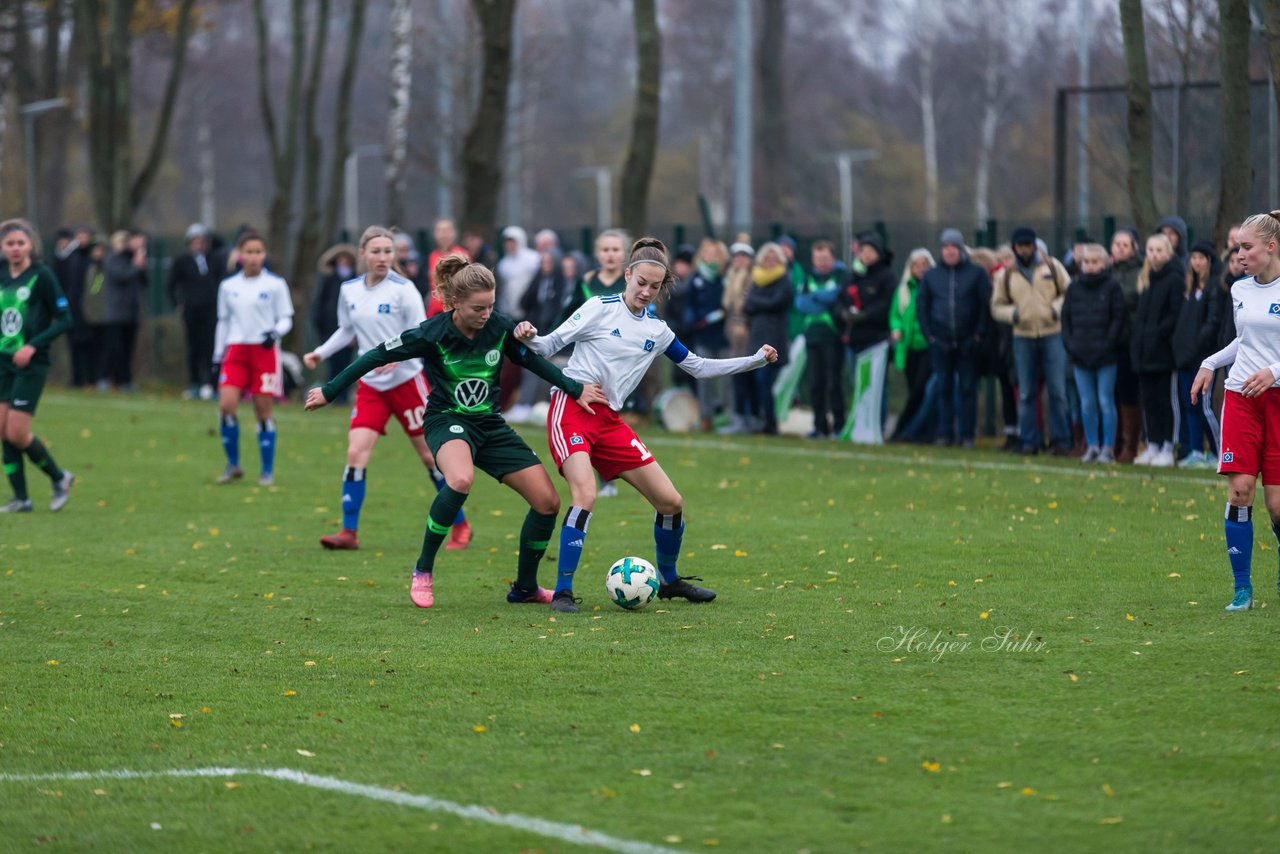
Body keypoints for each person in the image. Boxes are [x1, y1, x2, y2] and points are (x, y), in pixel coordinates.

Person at [305, 255, 607, 609]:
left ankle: (525, 588)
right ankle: (423, 570)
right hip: (446, 420)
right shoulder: (432, 333)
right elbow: (374, 355)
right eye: (478, 308)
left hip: (490, 425)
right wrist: (330, 389)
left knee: (547, 503)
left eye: (491, 306)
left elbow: (532, 361)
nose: (486, 314)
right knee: (460, 479)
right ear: (454, 303)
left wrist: (574, 387)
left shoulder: (498, 327)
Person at [513, 237, 778, 613]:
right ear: (627, 275)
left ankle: (669, 580)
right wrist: (528, 334)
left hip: (610, 421)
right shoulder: (599, 307)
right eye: (641, 283)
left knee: (671, 502)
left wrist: (754, 360)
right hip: (572, 408)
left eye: (655, 287)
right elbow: (548, 344)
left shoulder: (657, 330)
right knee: (585, 494)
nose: (646, 292)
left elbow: (698, 367)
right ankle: (563, 591)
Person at [303, 225, 472, 552]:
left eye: (388, 251)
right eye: (376, 251)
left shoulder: (403, 289)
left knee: (430, 456)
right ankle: (349, 533)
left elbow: (421, 332)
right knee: (355, 453)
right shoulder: (349, 289)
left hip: (407, 382)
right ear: (363, 254)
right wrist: (320, 353)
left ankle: (461, 525)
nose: (382, 257)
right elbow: (345, 330)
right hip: (370, 386)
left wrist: (397, 359)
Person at [1190, 211, 1280, 611]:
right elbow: (1243, 342)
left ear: (1271, 247)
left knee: (1277, 505)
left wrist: (1274, 371)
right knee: (1240, 491)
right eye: (1238, 247)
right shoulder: (1239, 289)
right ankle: (1241, 589)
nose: (1239, 254)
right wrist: (1211, 362)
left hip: (1277, 402)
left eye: (1247, 247)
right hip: (1242, 397)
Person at [0, 219, 75, 513]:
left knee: (17, 433)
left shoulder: (42, 276)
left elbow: (65, 319)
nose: (16, 248)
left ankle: (59, 477)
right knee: (2, 430)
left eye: (21, 243)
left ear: (31, 245)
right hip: (2, 363)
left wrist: (32, 345)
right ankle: (21, 498)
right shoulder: (2, 274)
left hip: (31, 363)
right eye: (10, 243)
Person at [211, 231, 294, 486]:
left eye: (258, 252)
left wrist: (275, 332)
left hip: (264, 352)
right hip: (235, 350)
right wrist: (217, 356)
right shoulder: (228, 286)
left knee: (263, 410)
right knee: (226, 406)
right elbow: (223, 322)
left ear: (264, 255)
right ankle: (233, 464)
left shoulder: (275, 285)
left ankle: (267, 470)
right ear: (240, 254)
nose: (254, 257)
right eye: (249, 252)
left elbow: (286, 318)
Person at [991, 227, 1072, 455]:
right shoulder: (1006, 275)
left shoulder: (1052, 267)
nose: (1025, 250)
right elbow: (996, 306)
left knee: (1057, 391)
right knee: (1026, 392)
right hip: (1023, 337)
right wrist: (1014, 315)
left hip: (1051, 334)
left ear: (1035, 246)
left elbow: (1068, 292)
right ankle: (1029, 441)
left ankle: (1060, 440)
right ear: (1015, 248)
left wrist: (1055, 310)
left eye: (1028, 245)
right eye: (1020, 246)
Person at [916, 228, 991, 447]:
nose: (950, 252)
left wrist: (978, 335)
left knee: (968, 389)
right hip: (940, 342)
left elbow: (984, 307)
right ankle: (945, 433)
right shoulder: (931, 276)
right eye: (946, 247)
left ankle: (967, 434)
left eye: (953, 247)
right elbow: (923, 307)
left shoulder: (976, 274)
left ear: (961, 249)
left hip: (968, 342)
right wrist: (930, 336)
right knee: (943, 389)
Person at [1060, 243, 1126, 464]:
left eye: (1094, 262)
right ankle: (1092, 445)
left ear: (1104, 263)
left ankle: (1108, 448)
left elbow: (1118, 321)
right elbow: (1066, 321)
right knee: (1086, 403)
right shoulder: (1074, 288)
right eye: (1086, 262)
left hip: (1106, 357)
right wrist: (1072, 346)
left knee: (1105, 401)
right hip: (1080, 357)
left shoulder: (1112, 288)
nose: (1090, 266)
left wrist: (1106, 346)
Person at [1130, 233, 1183, 467]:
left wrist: (1157, 335)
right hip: (1144, 353)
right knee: (1149, 401)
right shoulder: (1146, 277)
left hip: (1163, 353)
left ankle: (1168, 448)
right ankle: (1153, 444)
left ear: (1168, 252)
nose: (1154, 254)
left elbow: (1174, 315)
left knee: (1165, 401)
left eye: (1159, 250)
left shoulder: (1175, 278)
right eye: (1150, 250)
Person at [1172, 241, 1224, 467]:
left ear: (1209, 260)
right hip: (1185, 358)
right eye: (1193, 257)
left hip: (1203, 358)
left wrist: (1196, 347)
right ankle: (1195, 451)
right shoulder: (1189, 290)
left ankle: (1219, 451)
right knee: (1188, 404)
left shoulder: (1215, 287)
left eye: (1201, 258)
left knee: (1204, 406)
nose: (1197, 262)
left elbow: (1212, 323)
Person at [794, 239, 846, 439]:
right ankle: (820, 426)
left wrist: (816, 297)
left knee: (834, 383)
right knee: (816, 384)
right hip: (812, 337)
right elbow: (801, 304)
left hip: (833, 337)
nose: (821, 262)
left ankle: (839, 426)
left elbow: (836, 297)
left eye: (825, 258)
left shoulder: (841, 276)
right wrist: (822, 300)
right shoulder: (808, 278)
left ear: (833, 258)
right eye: (818, 258)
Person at [168, 223, 224, 400]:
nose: (198, 244)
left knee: (211, 348)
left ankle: (212, 384)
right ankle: (194, 383)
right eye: (195, 241)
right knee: (194, 347)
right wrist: (178, 303)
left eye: (201, 241)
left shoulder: (213, 259)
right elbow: (170, 285)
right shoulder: (182, 261)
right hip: (192, 310)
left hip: (210, 310)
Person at [743, 242, 793, 435]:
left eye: (774, 258)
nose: (770, 262)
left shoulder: (784, 279)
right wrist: (760, 304)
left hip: (774, 338)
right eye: (767, 258)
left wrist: (757, 303)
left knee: (765, 380)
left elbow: (777, 302)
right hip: (756, 337)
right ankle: (758, 419)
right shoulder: (756, 279)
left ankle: (771, 422)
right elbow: (748, 305)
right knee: (754, 380)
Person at [888, 248, 934, 442]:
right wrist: (896, 328)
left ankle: (904, 429)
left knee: (920, 390)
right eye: (917, 265)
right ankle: (918, 431)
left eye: (925, 265)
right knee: (913, 389)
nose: (921, 269)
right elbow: (895, 315)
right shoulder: (904, 290)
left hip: (928, 345)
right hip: (908, 347)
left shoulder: (933, 287)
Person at [1110, 228, 1144, 463]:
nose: (1120, 248)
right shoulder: (1107, 272)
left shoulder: (1141, 272)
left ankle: (1131, 444)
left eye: (1125, 244)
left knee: (1129, 393)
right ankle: (1113, 442)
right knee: (1111, 394)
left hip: (1131, 340)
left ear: (1134, 248)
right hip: (1109, 342)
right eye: (1117, 244)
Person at [310, 242, 359, 404]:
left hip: (348, 332)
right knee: (333, 365)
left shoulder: (356, 282)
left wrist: (354, 334)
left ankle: (343, 397)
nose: (344, 264)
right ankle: (332, 395)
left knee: (346, 365)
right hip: (330, 329)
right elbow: (320, 305)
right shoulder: (329, 280)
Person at [101, 229, 148, 392]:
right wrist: (136, 265)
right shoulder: (112, 259)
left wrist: (140, 263)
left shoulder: (132, 259)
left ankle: (125, 381)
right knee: (114, 349)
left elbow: (143, 281)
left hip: (131, 312)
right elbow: (123, 276)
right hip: (115, 313)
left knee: (128, 349)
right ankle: (104, 378)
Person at [427, 219, 468, 317]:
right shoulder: (432, 256)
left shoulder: (462, 254)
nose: (444, 235)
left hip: (455, 309)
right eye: (440, 231)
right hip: (435, 310)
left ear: (454, 233)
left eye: (447, 230)